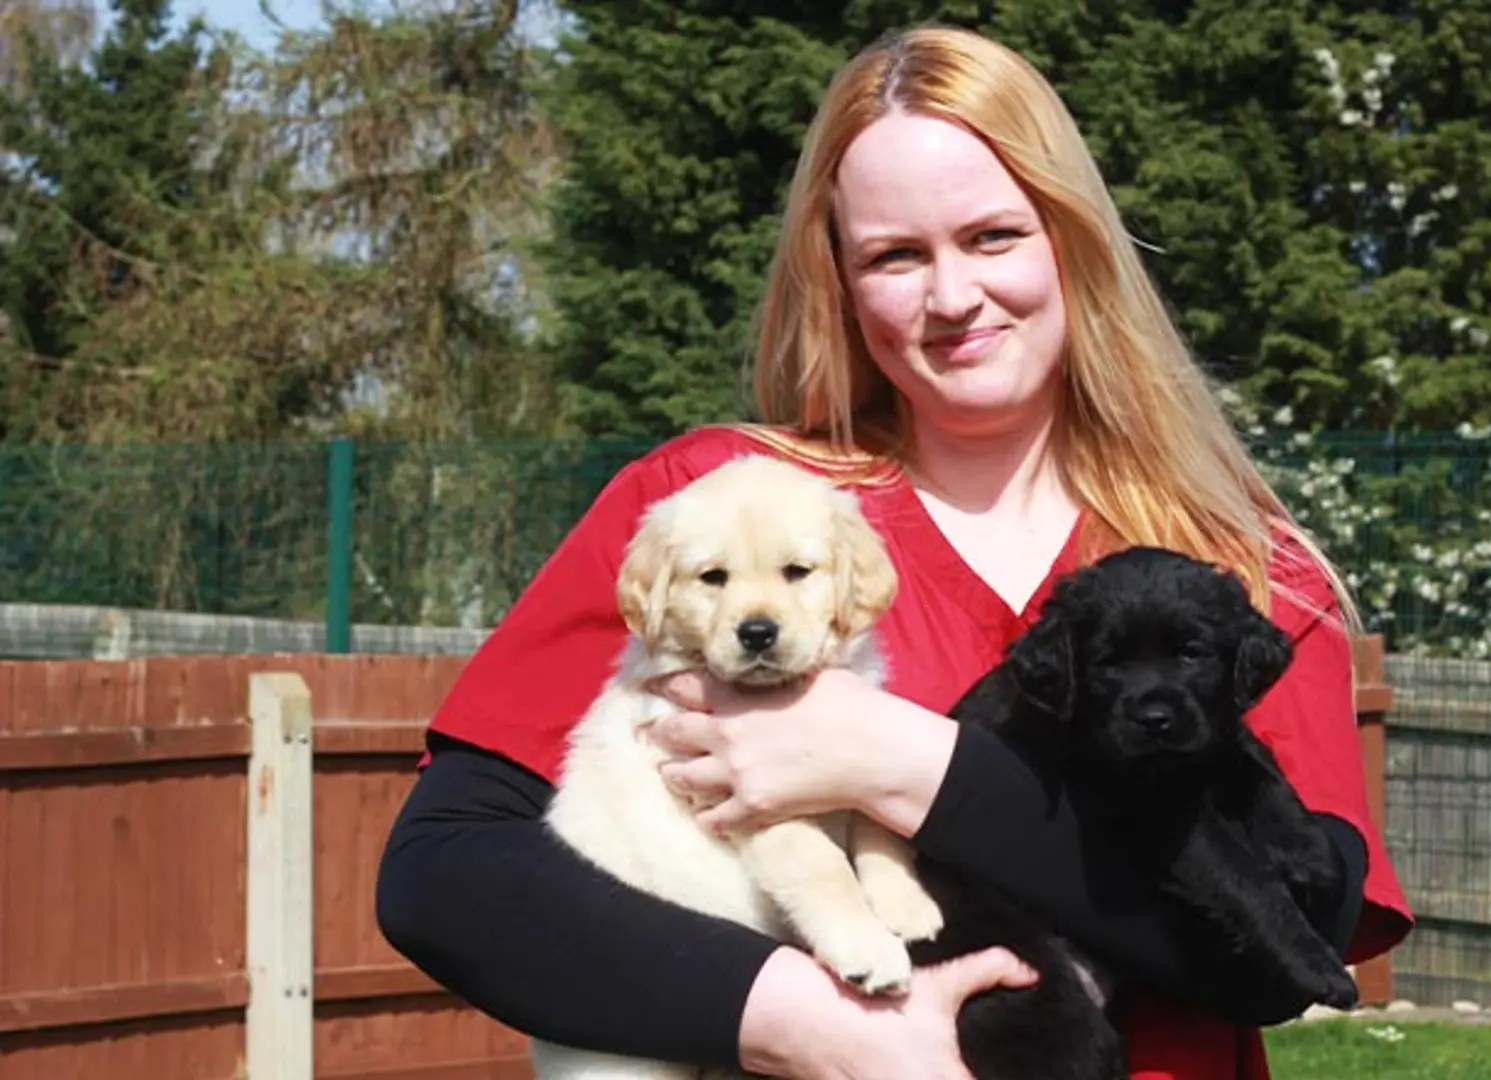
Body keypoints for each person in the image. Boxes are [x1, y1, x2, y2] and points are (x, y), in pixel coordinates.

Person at [374, 22, 1411, 1080]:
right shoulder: (716, 507)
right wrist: (815, 1026)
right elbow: (445, 874)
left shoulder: (1234, 562)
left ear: (1075, 238)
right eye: (895, 256)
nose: (952, 297)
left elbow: (1287, 952)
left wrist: (906, 767)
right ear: (838, 278)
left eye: (995, 235)